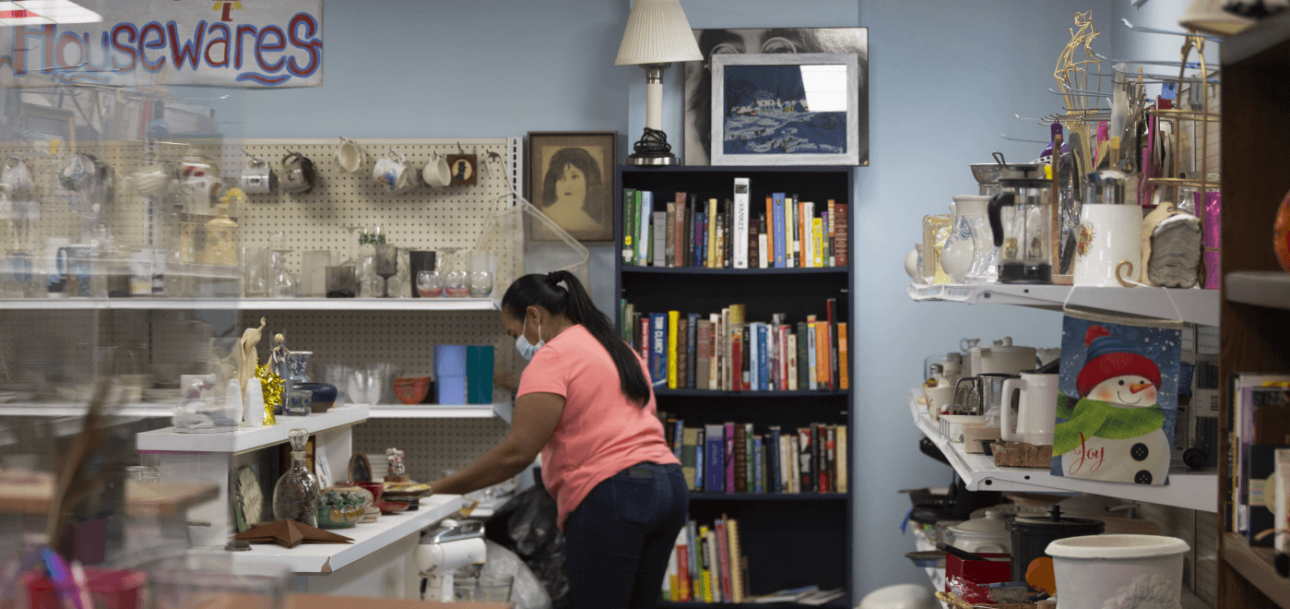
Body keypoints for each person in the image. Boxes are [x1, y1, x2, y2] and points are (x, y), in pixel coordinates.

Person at [433, 271, 688, 609]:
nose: (517, 341)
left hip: (613, 495)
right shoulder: (617, 347)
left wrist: (439, 489)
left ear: (534, 316)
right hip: (667, 486)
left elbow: (517, 453)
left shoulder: (552, 357)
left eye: (514, 333)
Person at [537, 147, 605, 235]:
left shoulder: (591, 224)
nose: (567, 185)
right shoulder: (544, 218)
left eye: (574, 177)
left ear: (588, 181)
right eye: (561, 178)